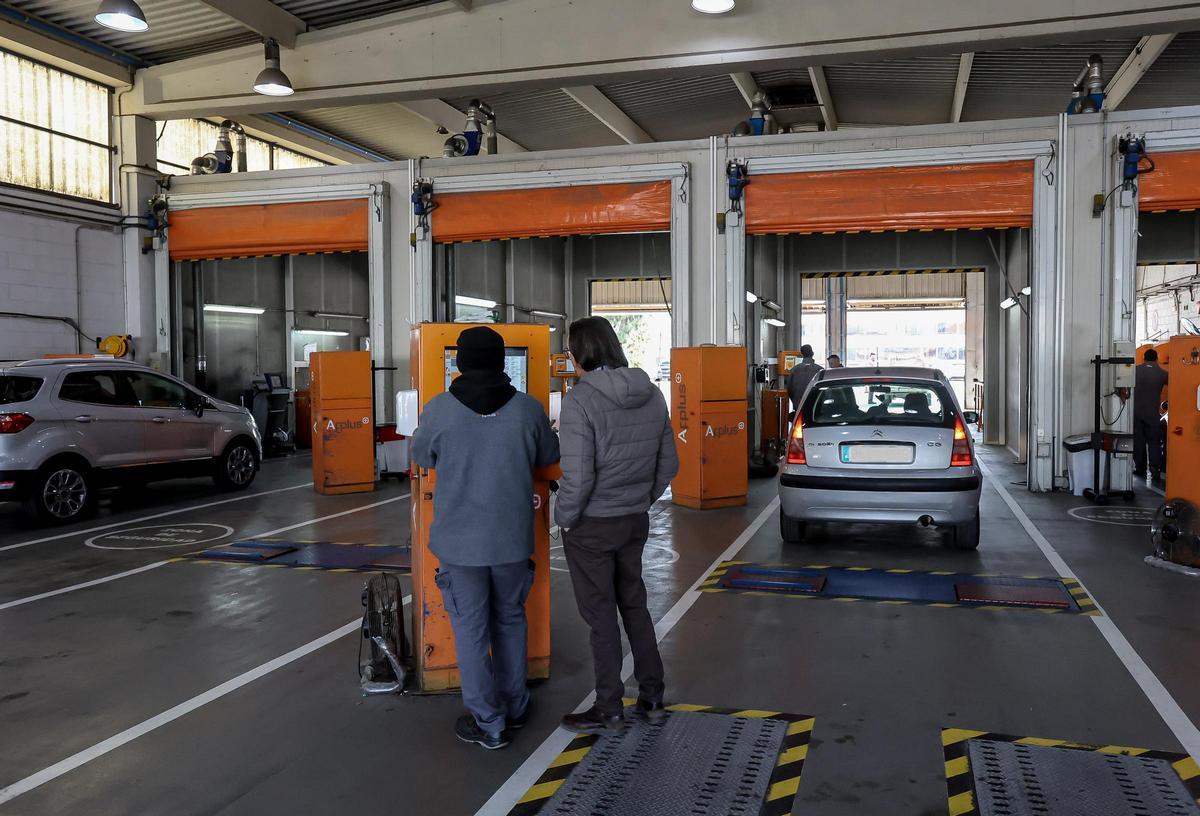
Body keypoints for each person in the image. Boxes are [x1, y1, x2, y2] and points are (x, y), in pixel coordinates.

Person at [410, 326, 560, 750]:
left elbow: (421, 455)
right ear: (501, 362)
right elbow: (549, 457)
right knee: (510, 619)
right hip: (513, 541)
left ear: (459, 362)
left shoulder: (439, 409)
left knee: (471, 629)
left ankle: (488, 721)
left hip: (460, 547)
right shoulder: (528, 409)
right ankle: (514, 707)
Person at [555, 316, 679, 735]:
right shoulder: (652, 393)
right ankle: (653, 696)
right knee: (635, 605)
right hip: (633, 520)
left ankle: (608, 706)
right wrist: (640, 500)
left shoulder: (579, 401)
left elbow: (578, 478)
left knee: (601, 617)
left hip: (592, 525)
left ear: (579, 354)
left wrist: (565, 520)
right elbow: (669, 464)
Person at [1133, 349, 1169, 480]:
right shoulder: (1162, 373)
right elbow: (1177, 385)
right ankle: (1155, 469)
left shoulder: (1135, 371)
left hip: (1136, 412)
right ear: (1157, 359)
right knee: (1154, 441)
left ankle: (1139, 468)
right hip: (1152, 413)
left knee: (1138, 441)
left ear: (1143, 358)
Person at [787, 344, 823, 412]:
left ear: (802, 354)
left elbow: (789, 389)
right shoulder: (820, 370)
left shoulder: (794, 370)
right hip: (816, 405)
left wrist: (795, 400)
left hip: (798, 405)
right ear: (812, 353)